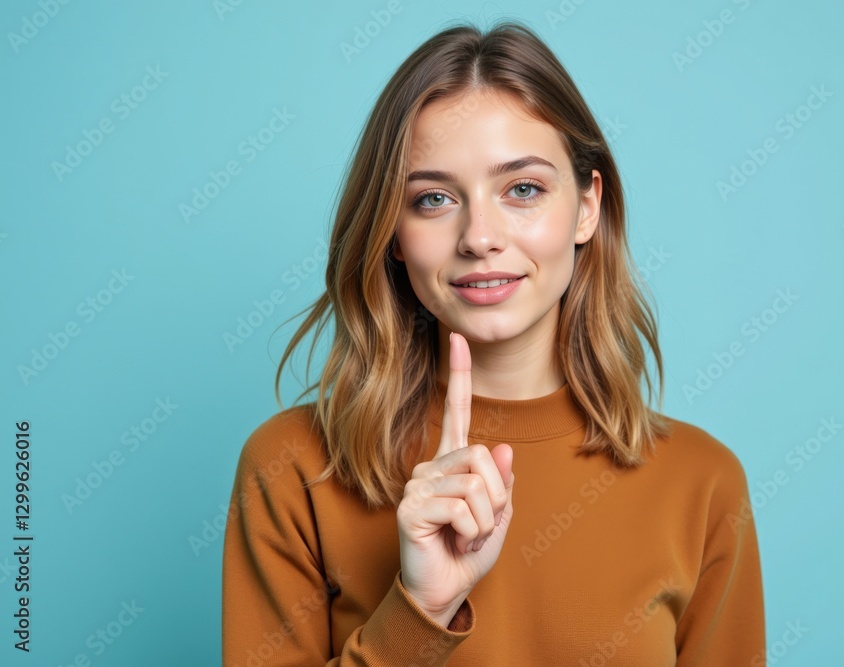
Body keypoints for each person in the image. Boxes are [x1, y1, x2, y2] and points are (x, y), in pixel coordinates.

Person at [222, 19, 765, 666]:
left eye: (523, 189)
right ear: (392, 231)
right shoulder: (290, 469)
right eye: (432, 198)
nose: (479, 235)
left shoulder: (702, 484)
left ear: (588, 207)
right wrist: (420, 609)